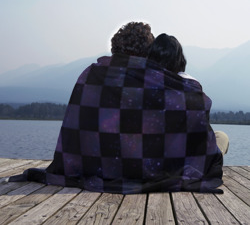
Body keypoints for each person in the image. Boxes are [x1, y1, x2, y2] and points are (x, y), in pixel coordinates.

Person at [9, 26, 227, 194]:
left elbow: (77, 127)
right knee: (219, 138)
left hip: (103, 163)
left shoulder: (93, 76)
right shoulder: (165, 87)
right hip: (160, 163)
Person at [148, 33, 229, 156]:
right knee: (222, 136)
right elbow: (203, 130)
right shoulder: (193, 85)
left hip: (156, 156)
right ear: (179, 59)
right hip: (189, 160)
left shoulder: (145, 85)